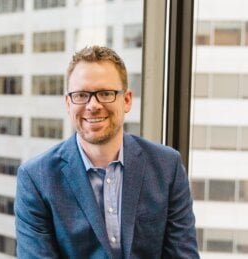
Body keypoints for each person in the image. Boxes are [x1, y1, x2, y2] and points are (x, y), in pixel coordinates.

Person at [14, 46, 199, 259]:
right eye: (81, 95)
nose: (93, 105)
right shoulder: (36, 178)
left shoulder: (167, 167)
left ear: (127, 100)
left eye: (105, 93)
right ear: (68, 103)